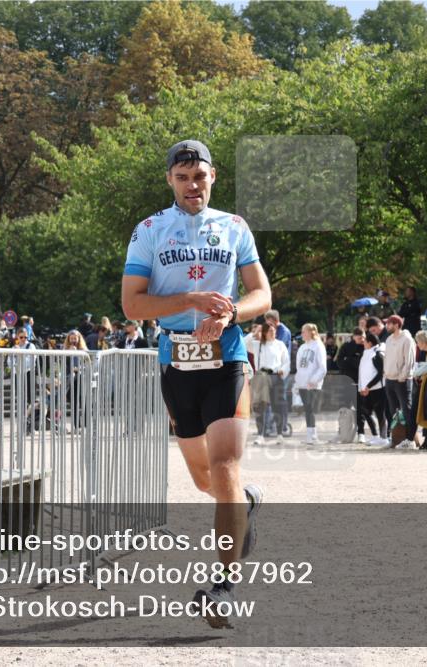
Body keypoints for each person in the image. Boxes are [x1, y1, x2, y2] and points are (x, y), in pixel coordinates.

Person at [120, 138, 271, 627]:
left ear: (213, 177)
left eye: (200, 176)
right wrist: (190, 300)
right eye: (182, 177)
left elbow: (261, 294)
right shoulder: (149, 230)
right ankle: (245, 504)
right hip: (176, 362)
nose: (192, 185)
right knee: (204, 479)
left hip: (226, 357)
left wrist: (229, 314)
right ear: (170, 180)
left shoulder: (234, 227)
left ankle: (224, 588)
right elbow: (133, 306)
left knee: (225, 466)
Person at [383, 315, 416, 448]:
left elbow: (408, 361)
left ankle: (410, 439)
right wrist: (386, 374)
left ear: (396, 324)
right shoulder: (389, 339)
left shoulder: (407, 339)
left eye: (389, 324)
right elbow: (387, 359)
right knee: (393, 411)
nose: (386, 326)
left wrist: (402, 377)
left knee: (406, 410)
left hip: (402, 380)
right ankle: (395, 438)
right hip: (389, 379)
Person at [294, 323, 327, 445]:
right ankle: (310, 435)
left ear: (311, 332)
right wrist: (298, 382)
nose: (302, 334)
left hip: (313, 384)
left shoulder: (318, 346)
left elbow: (322, 367)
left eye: (304, 331)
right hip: (302, 383)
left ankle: (313, 435)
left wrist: (313, 380)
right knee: (307, 409)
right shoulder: (302, 347)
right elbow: (299, 367)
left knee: (311, 409)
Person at [264, 309, 293, 437]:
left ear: (276, 321)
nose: (268, 325)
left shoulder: (283, 332)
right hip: (271, 372)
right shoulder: (276, 330)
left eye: (269, 323)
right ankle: (270, 426)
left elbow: (274, 347)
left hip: (280, 371)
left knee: (280, 400)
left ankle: (283, 426)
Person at [357, 331, 388, 446]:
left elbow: (381, 373)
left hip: (378, 389)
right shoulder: (366, 353)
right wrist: (362, 387)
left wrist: (368, 386)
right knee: (366, 412)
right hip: (366, 390)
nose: (363, 342)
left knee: (380, 413)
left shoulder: (377, 354)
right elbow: (363, 372)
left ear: (370, 343)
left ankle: (384, 437)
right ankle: (376, 436)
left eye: (365, 341)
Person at [62, 329, 88, 429]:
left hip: (81, 376)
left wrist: (80, 367)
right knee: (73, 400)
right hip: (70, 377)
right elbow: (63, 363)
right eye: (71, 338)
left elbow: (88, 363)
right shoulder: (65, 350)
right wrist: (69, 352)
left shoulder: (83, 349)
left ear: (78, 339)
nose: (73, 340)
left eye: (75, 338)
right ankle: (76, 424)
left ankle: (85, 423)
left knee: (83, 399)